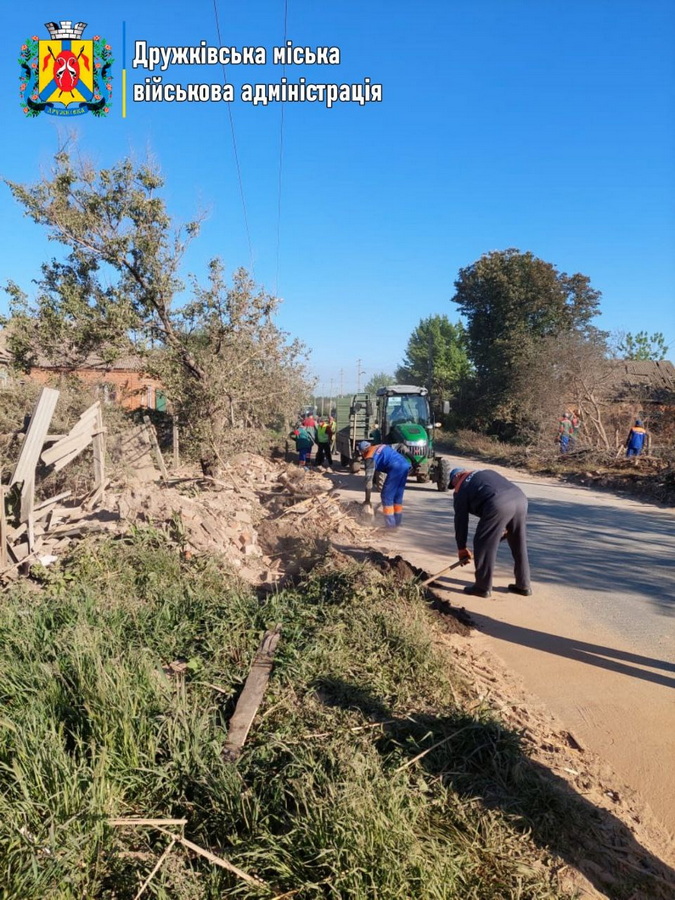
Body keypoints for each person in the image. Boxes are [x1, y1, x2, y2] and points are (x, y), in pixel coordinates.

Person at [448, 467, 532, 599]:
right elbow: (496, 489)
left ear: (457, 476)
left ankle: (482, 587)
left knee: (482, 543)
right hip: (520, 498)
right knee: (518, 542)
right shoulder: (485, 472)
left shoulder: (461, 487)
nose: (454, 487)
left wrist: (461, 548)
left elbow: (460, 521)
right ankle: (524, 585)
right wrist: (503, 525)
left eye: (453, 483)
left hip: (498, 503)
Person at [359, 440, 411, 527]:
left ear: (363, 452)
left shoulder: (369, 458)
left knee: (386, 496)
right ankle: (397, 523)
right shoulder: (381, 446)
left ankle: (390, 526)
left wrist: (367, 499)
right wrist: (414, 461)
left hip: (395, 468)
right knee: (397, 496)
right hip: (405, 465)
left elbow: (369, 482)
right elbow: (402, 446)